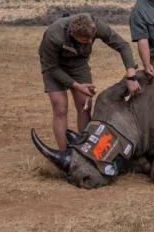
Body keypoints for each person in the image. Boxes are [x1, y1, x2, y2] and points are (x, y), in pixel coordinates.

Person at [38, 13, 140, 150]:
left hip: (78, 63)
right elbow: (51, 68)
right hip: (54, 66)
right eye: (84, 41)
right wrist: (77, 86)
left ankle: (84, 150)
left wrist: (131, 75)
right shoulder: (54, 35)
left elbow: (123, 46)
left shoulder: (96, 25)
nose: (89, 42)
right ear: (72, 34)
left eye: (91, 39)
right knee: (60, 107)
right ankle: (65, 153)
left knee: (85, 105)